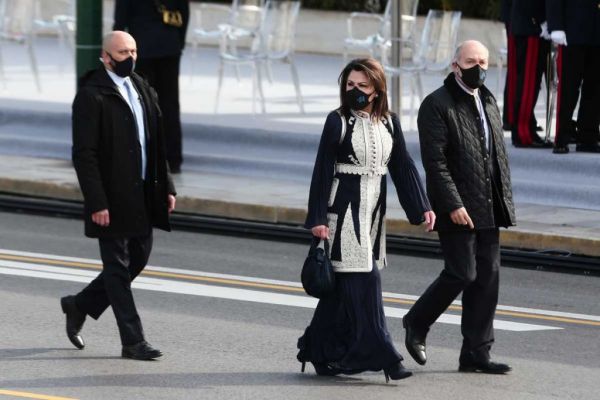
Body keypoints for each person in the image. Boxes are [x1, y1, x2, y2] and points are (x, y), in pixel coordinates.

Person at [297, 58, 436, 382]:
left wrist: (422, 207)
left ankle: (317, 349)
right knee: (367, 281)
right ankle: (388, 358)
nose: (355, 90)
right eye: (350, 85)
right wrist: (317, 218)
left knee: (339, 291)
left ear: (377, 89)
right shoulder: (337, 121)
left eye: (362, 85)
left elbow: (402, 166)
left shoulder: (389, 122)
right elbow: (322, 170)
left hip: (372, 216)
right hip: (342, 215)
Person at [61, 31, 176, 360]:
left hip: (144, 192)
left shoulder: (141, 87)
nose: (131, 58)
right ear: (106, 57)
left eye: (134, 51)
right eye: (123, 53)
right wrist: (97, 202)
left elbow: (156, 142)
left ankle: (79, 304)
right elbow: (84, 155)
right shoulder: (91, 95)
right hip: (111, 197)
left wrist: (167, 186)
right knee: (117, 270)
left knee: (137, 259)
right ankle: (133, 341)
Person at [403, 41, 516, 374]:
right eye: (470, 61)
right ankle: (417, 321)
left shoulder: (488, 100)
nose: (477, 68)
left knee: (487, 278)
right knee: (462, 273)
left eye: (483, 61)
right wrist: (452, 203)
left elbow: (496, 156)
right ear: (455, 65)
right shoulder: (436, 104)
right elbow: (435, 162)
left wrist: (503, 201)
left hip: (489, 204)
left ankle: (476, 353)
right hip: (456, 205)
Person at [114, 0, 190, 172]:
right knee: (170, 104)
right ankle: (172, 158)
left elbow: (121, 19)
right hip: (170, 45)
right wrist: (178, 42)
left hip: (141, 47)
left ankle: (146, 158)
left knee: (142, 104)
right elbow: (184, 12)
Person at [546, 0, 600, 154]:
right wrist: (556, 25)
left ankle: (588, 137)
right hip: (572, 30)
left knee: (595, 88)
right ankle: (562, 137)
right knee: (568, 88)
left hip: (596, 30)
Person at [502, 0, 552, 148]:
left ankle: (527, 128)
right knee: (527, 85)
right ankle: (522, 133)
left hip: (527, 24)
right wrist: (542, 20)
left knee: (529, 83)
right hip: (531, 25)